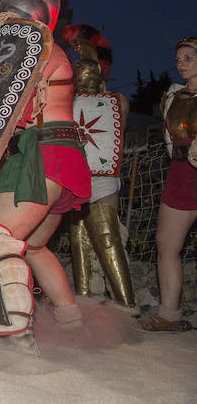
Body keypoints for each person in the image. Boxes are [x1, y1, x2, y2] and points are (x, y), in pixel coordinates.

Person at [0, 0, 91, 353]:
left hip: (46, 154)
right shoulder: (43, 48)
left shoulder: (41, 47)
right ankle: (75, 326)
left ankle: (16, 333)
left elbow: (3, 99)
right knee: (34, 246)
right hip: (56, 154)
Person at [64, 27, 135, 309]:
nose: (85, 74)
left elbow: (112, 136)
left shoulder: (116, 102)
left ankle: (126, 306)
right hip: (75, 178)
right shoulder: (66, 102)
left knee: (107, 239)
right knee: (78, 242)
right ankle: (83, 301)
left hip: (102, 178)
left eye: (90, 69)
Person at [139, 36, 197, 332]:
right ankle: (169, 315)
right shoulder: (174, 96)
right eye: (178, 59)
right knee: (166, 244)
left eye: (188, 57)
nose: (181, 64)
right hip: (180, 172)